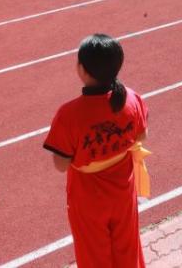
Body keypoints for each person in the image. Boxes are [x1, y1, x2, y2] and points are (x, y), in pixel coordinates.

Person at [44, 34, 149, 268]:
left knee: (93, 253)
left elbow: (61, 165)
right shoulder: (132, 99)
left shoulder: (69, 114)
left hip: (88, 196)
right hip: (123, 188)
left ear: (82, 69)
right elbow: (142, 136)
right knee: (127, 245)